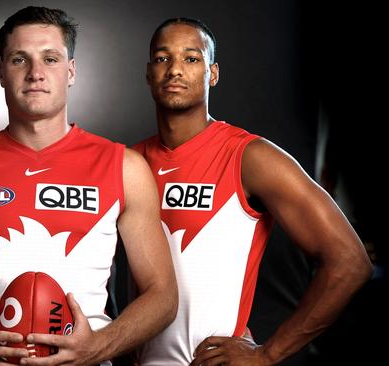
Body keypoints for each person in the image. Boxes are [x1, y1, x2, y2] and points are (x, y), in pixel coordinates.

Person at [0, 6, 177, 366]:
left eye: (51, 59)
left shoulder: (124, 167)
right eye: (19, 60)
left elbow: (162, 295)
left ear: (71, 71)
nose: (36, 73)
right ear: (1, 73)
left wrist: (98, 347)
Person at [132, 17, 372, 365]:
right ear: (149, 73)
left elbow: (350, 261)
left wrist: (268, 354)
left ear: (212, 74)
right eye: (162, 58)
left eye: (191, 58)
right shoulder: (129, 163)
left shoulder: (249, 157)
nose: (175, 71)